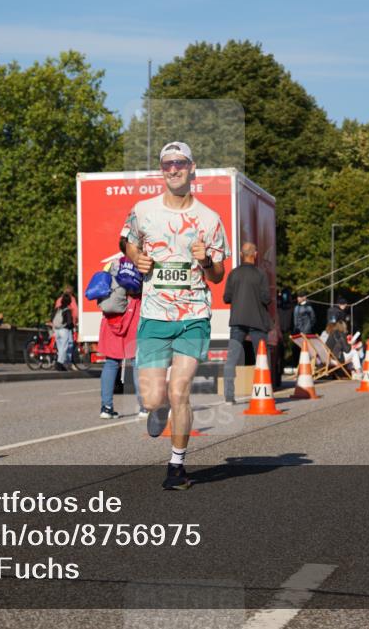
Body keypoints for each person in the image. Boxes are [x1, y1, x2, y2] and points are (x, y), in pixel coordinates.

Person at [122, 141, 229, 490]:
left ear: (192, 167)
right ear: (161, 170)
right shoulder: (144, 210)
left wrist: (206, 260)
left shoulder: (210, 219)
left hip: (193, 315)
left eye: (180, 163)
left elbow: (218, 276)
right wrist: (136, 257)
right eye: (167, 164)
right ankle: (158, 408)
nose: (173, 169)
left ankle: (177, 466)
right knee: (154, 397)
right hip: (154, 315)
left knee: (180, 390)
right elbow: (127, 240)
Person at [223, 242, 271, 405]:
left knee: (232, 358)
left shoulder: (233, 274)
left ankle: (229, 396)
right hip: (257, 321)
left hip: (237, 321)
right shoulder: (261, 274)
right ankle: (263, 392)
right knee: (262, 358)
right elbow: (266, 298)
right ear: (255, 255)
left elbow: (226, 298)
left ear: (241, 255)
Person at [97, 257, 144, 419]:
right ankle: (144, 407)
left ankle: (106, 407)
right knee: (137, 363)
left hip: (111, 318)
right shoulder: (140, 263)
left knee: (111, 363)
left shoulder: (111, 265)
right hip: (133, 315)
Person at [50, 286, 78, 372]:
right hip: (65, 329)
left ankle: (61, 364)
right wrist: (74, 324)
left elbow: (53, 315)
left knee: (60, 347)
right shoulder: (71, 301)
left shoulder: (59, 301)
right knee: (67, 346)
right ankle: (62, 363)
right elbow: (75, 313)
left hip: (57, 329)